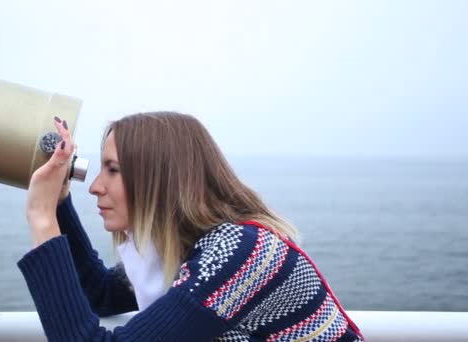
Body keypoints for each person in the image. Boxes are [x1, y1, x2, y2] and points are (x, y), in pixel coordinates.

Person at [18, 112, 365, 341]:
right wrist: (60, 202)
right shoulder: (192, 249)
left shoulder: (242, 254)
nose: (95, 185)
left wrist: (43, 217)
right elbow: (99, 293)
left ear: (162, 179)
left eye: (114, 169)